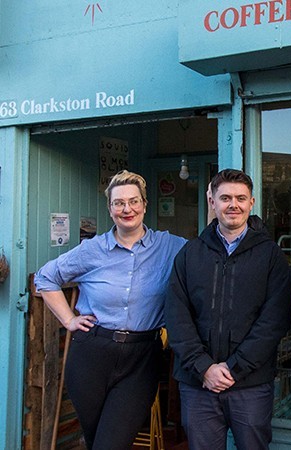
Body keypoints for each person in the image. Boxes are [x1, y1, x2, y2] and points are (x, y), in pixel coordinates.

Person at [34, 170, 187, 450]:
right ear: (110, 208)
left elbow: (206, 262)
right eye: (118, 203)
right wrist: (68, 319)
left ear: (144, 204)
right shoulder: (92, 250)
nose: (126, 209)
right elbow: (45, 278)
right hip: (91, 355)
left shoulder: (170, 247)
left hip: (142, 359)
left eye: (133, 201)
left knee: (111, 443)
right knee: (96, 441)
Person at [165, 168, 291, 450]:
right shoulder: (190, 253)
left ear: (251, 203)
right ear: (212, 202)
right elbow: (176, 317)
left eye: (240, 198)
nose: (233, 205)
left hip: (250, 384)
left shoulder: (270, 255)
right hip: (198, 384)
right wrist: (204, 368)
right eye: (225, 198)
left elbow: (275, 319)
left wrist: (234, 368)